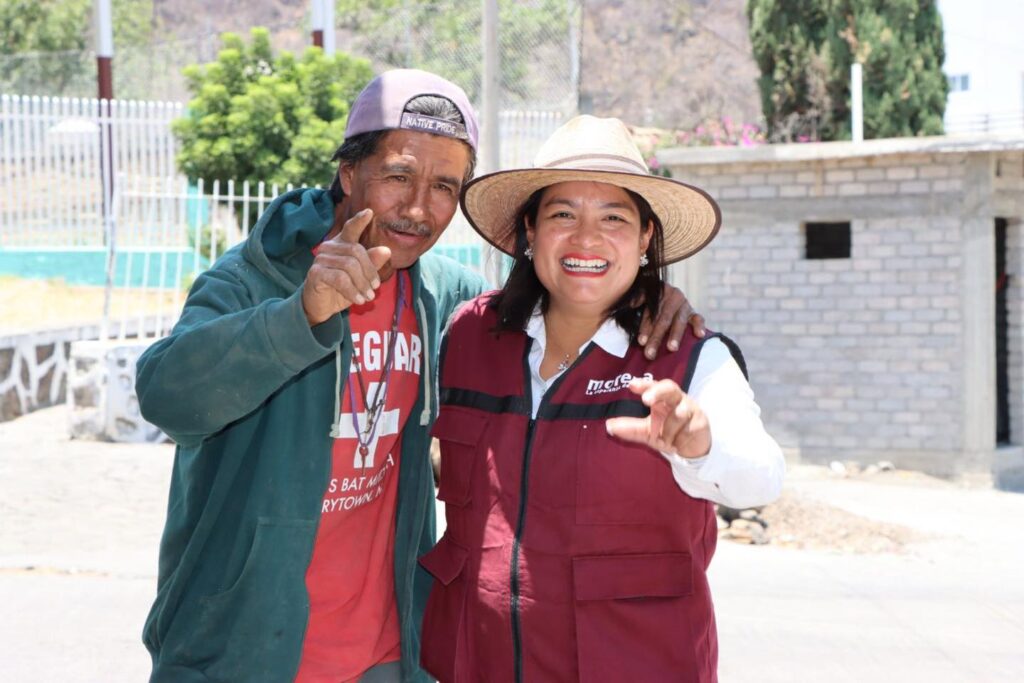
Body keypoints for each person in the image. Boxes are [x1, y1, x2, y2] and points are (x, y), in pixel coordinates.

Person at [137, 71, 702, 683]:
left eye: (443, 187)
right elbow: (168, 397)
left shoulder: (446, 299)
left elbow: (564, 304)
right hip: (238, 654)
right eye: (399, 176)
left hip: (388, 658)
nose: (417, 208)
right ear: (349, 174)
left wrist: (644, 296)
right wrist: (300, 313)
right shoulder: (255, 279)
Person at [420, 115, 785, 682]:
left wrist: (697, 442)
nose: (586, 239)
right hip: (476, 665)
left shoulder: (691, 358)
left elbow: (760, 479)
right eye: (562, 214)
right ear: (529, 232)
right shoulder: (467, 335)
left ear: (644, 239)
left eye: (613, 218)